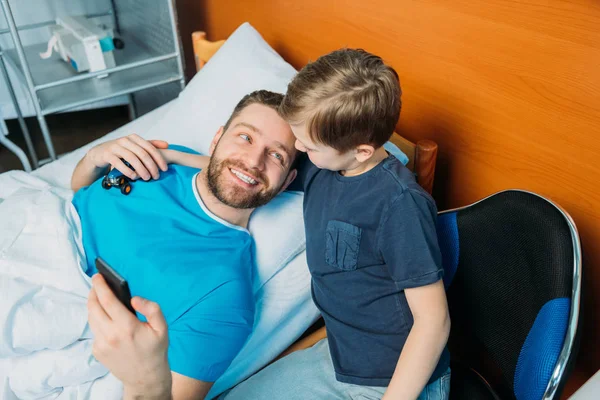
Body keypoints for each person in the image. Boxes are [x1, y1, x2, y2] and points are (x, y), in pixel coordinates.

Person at [87, 48, 451, 400]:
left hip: (393, 379)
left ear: (362, 152)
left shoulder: (399, 205)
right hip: (339, 357)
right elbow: (250, 170)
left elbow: (433, 323)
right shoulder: (329, 161)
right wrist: (171, 155)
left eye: (307, 146)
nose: (301, 148)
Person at [73, 90, 298, 400]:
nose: (253, 161)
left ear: (286, 182)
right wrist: (94, 156)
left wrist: (144, 385)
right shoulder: (164, 157)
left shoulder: (223, 294)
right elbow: (80, 193)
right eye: (246, 137)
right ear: (217, 138)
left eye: (276, 155)